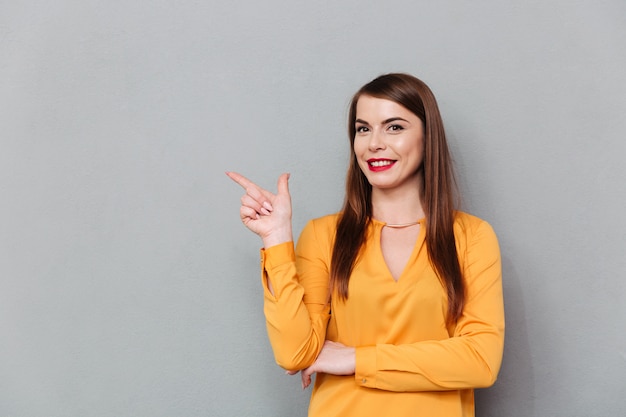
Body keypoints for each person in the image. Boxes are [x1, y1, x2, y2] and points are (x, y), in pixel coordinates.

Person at [226, 73, 504, 417]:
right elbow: (294, 353)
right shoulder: (324, 235)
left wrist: (355, 358)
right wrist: (277, 238)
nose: (373, 143)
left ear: (428, 137)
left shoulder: (471, 237)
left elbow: (480, 360)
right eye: (362, 129)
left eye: (394, 127)